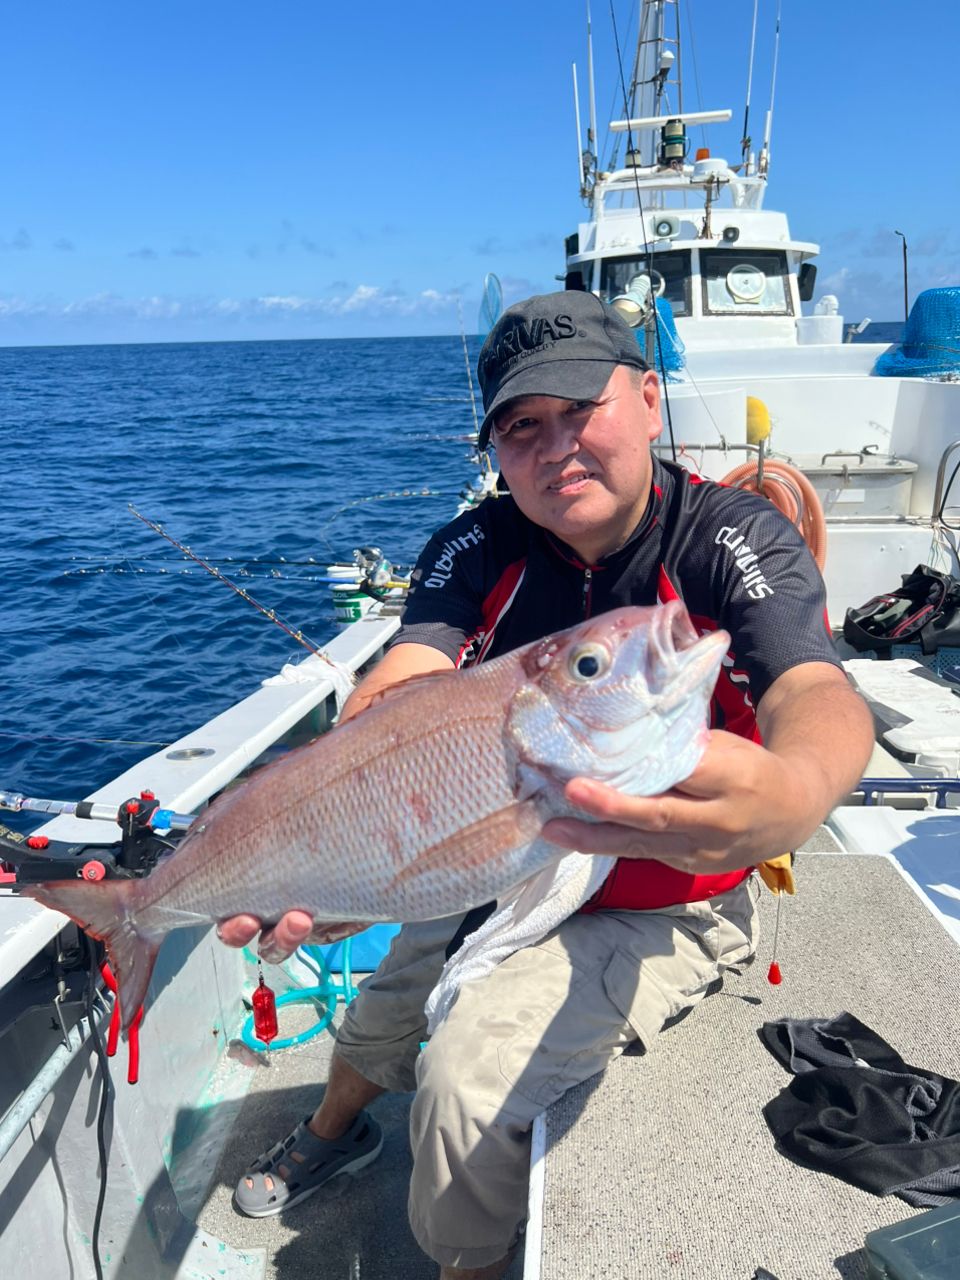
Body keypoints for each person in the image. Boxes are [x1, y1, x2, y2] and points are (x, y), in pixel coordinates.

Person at [219, 291, 874, 1279]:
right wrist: (349, 823)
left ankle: (467, 1263)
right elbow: (411, 672)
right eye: (523, 425)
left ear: (649, 400)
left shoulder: (731, 538)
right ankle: (333, 1125)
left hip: (659, 896)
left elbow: (816, 690)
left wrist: (799, 790)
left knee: (460, 1085)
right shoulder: (478, 543)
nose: (556, 444)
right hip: (507, 853)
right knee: (390, 1003)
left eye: (582, 408)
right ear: (495, 450)